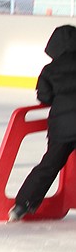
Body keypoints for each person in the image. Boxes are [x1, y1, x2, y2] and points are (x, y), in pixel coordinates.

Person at [9, 24, 76, 221]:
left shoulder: (50, 69)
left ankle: (22, 205)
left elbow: (45, 97)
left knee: (49, 164)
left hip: (62, 127)